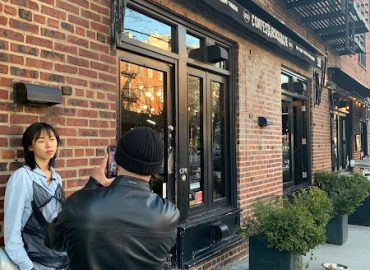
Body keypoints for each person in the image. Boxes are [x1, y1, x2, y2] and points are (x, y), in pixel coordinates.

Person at [46, 127, 180, 270]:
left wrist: (92, 186)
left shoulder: (80, 203)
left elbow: (53, 241)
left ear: (116, 158)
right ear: (156, 169)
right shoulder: (168, 214)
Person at [4, 123, 69, 270]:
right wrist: (27, 266)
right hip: (35, 263)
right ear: (30, 147)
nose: (48, 145)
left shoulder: (57, 178)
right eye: (41, 140)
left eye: (52, 139)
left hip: (62, 261)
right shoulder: (22, 177)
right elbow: (11, 231)